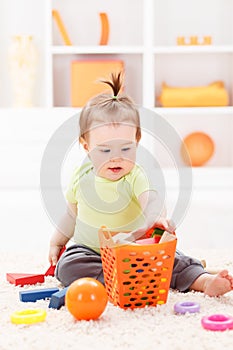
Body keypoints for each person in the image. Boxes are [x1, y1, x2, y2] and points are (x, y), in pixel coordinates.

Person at [48, 72, 233, 297]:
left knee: (172, 260)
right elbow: (71, 214)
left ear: (137, 142)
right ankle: (125, 279)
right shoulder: (81, 175)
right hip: (91, 252)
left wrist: (155, 217)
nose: (116, 157)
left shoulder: (135, 176)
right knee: (68, 267)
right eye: (105, 150)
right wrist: (57, 241)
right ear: (86, 146)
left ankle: (204, 281)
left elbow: (151, 199)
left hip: (136, 253)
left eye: (125, 148)